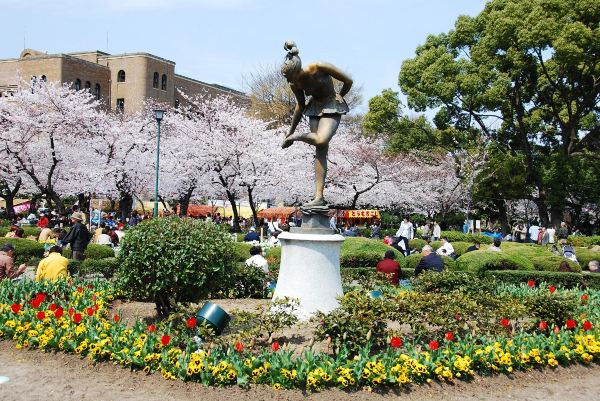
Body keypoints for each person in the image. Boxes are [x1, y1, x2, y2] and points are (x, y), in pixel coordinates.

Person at [280, 40, 353, 207]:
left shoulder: (319, 67)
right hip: (314, 109)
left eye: (292, 77)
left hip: (331, 104)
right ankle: (318, 196)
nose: (291, 82)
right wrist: (289, 131)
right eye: (288, 79)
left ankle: (297, 137)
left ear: (299, 70)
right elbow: (300, 105)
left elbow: (348, 81)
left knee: (321, 140)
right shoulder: (293, 83)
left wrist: (340, 97)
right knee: (320, 151)